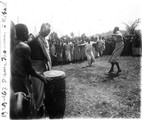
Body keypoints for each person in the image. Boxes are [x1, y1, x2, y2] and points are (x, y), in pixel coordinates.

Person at [11, 23, 51, 119]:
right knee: (25, 107)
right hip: (21, 81)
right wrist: (42, 77)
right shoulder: (24, 46)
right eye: (27, 32)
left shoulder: (12, 45)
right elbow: (30, 70)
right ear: (24, 33)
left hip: (12, 81)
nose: (29, 34)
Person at [28, 23, 52, 117]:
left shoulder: (44, 40)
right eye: (46, 31)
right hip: (35, 66)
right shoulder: (33, 37)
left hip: (43, 65)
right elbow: (28, 44)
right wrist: (36, 37)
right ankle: (37, 109)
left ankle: (41, 107)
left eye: (48, 32)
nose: (47, 34)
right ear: (41, 29)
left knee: (43, 87)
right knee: (37, 88)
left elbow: (47, 54)